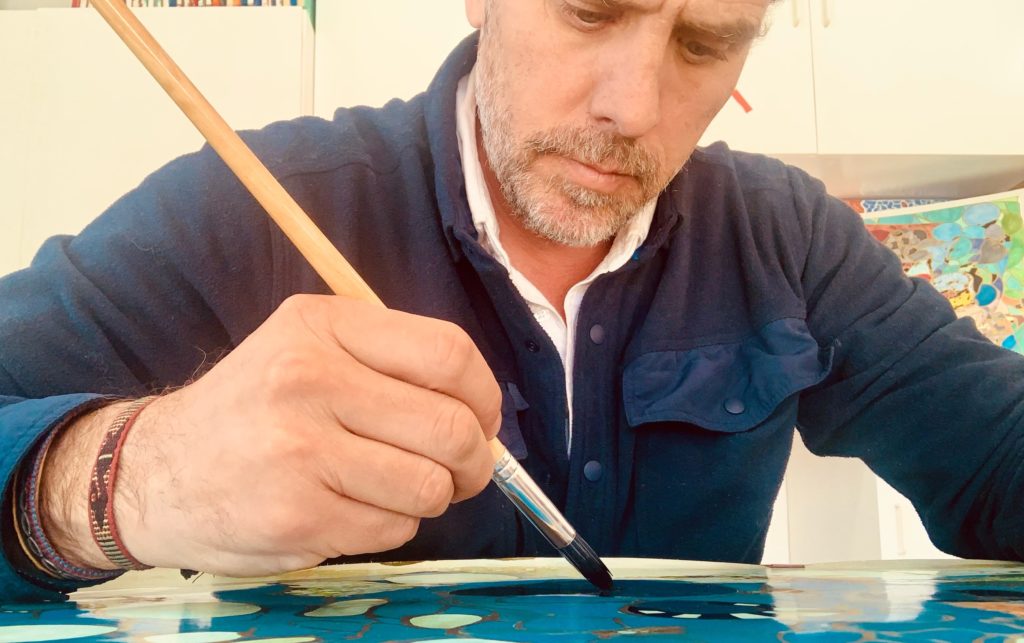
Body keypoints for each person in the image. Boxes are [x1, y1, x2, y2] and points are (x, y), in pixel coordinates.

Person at [1, 0, 1022, 602]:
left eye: (705, 42)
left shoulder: (787, 236)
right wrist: (128, 479)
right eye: (590, 10)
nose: (633, 107)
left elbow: (995, 455)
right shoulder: (252, 206)